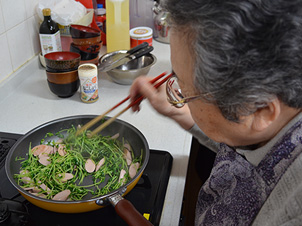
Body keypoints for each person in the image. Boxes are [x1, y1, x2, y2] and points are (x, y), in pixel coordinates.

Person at [129, 0, 302, 225]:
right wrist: (180, 113)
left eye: (183, 90)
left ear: (259, 109)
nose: (178, 95)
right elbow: (243, 135)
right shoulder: (280, 111)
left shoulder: (292, 210)